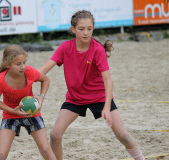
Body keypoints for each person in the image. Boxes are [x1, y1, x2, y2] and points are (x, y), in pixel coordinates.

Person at [38, 10, 145, 160]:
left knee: (123, 135)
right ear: (73, 29)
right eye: (81, 29)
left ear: (93, 28)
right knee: (55, 135)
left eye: (89, 28)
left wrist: (107, 108)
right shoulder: (65, 47)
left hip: (100, 97)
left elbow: (108, 80)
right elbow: (44, 69)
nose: (86, 32)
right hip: (75, 98)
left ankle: (141, 158)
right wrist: (29, 76)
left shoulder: (97, 50)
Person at [0, 45, 56, 160]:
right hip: (10, 115)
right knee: (1, 154)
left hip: (31, 112)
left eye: (24, 62)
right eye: (18, 64)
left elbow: (45, 79)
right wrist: (13, 110)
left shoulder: (29, 72)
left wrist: (41, 97)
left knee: (46, 149)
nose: (23, 67)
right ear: (7, 65)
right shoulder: (0, 80)